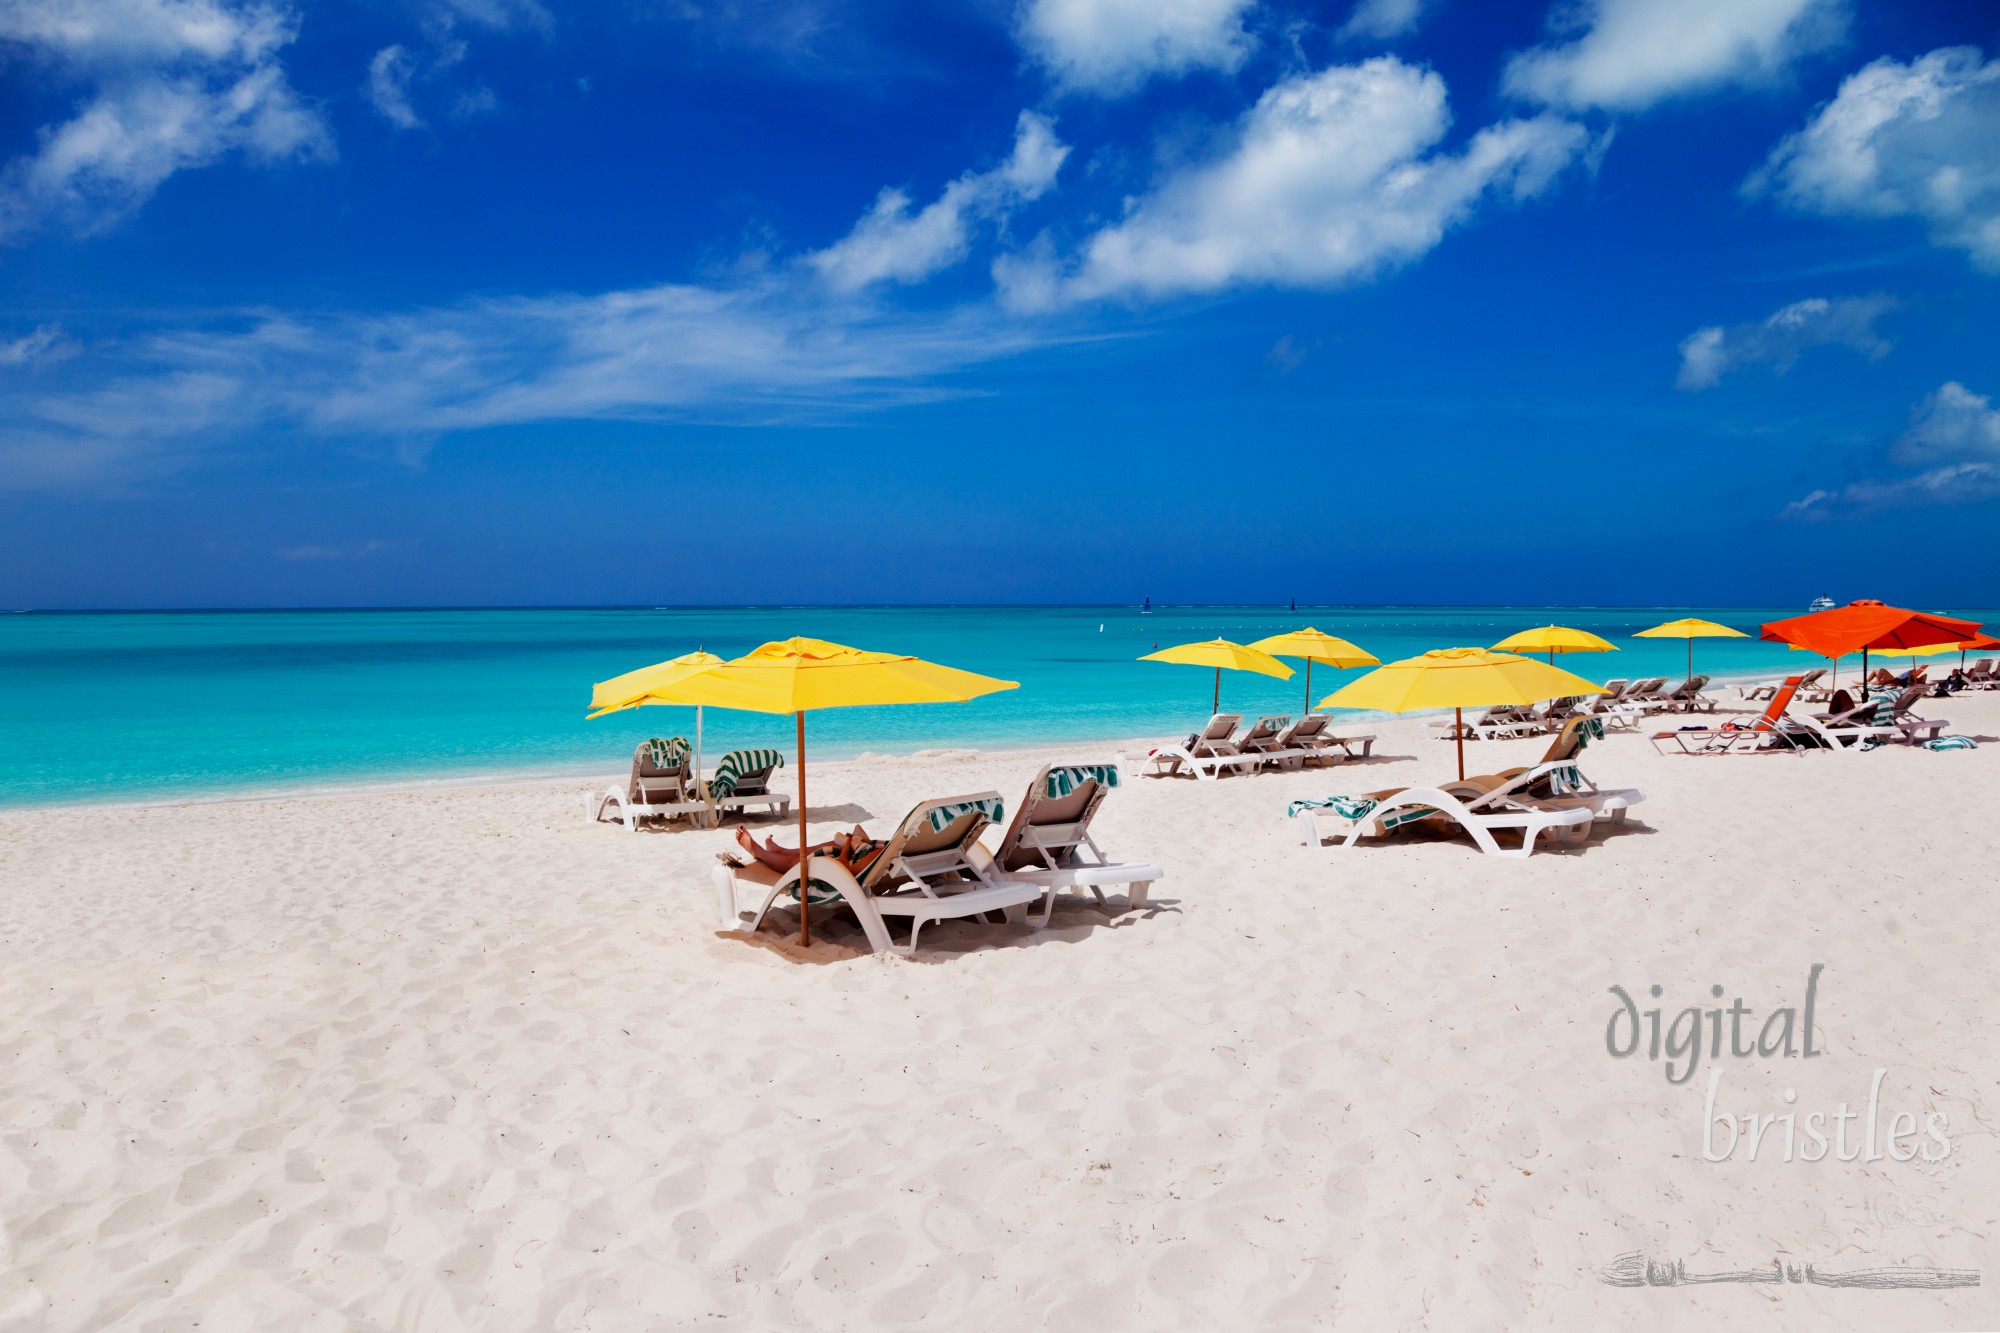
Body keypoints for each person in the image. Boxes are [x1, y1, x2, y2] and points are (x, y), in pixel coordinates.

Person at [735, 824, 877, 875]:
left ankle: (760, 853)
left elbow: (846, 870)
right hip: (860, 854)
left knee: (798, 862)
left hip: (841, 869)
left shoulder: (881, 856)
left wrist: (847, 846)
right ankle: (781, 851)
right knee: (832, 845)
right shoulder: (892, 852)